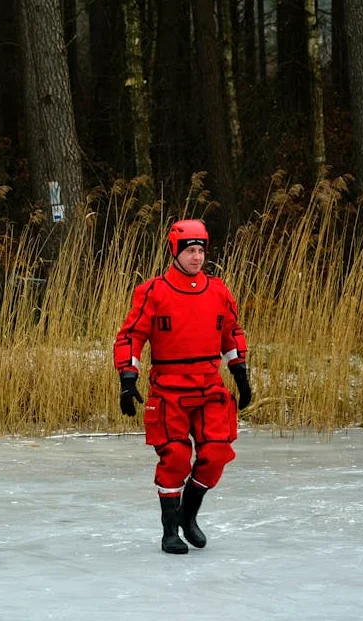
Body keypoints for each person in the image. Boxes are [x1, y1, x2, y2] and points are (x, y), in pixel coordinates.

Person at [113, 219, 252, 554]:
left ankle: (188, 514)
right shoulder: (153, 291)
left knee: (216, 454)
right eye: (190, 250)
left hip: (209, 386)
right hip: (169, 389)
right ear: (175, 251)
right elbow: (131, 336)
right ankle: (169, 532)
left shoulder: (218, 291)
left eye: (200, 250)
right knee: (175, 458)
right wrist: (127, 379)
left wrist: (241, 374)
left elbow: (232, 333)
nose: (196, 257)